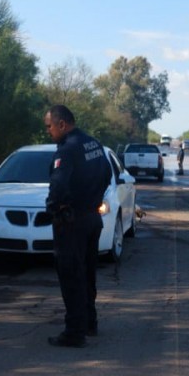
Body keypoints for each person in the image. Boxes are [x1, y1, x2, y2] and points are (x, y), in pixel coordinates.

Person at [43, 104, 112, 348]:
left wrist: (53, 207)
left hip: (71, 223)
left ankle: (74, 332)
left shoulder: (67, 150)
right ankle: (89, 322)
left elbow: (58, 185)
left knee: (71, 276)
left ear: (62, 124)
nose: (48, 132)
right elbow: (107, 175)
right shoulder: (93, 143)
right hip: (92, 219)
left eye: (49, 127)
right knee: (87, 273)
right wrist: (93, 200)